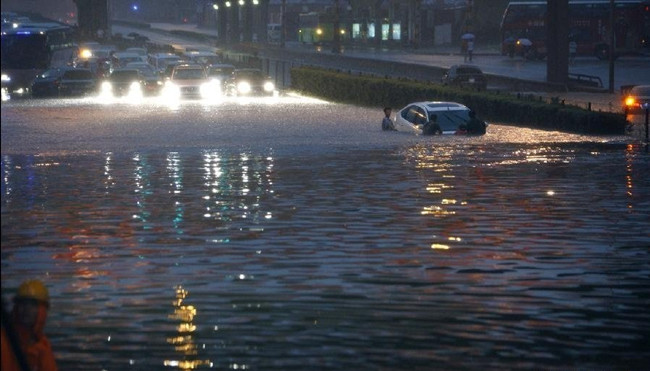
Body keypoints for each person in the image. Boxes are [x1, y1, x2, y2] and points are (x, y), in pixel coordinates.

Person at [6, 280, 59, 371]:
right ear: (16, 307)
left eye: (32, 304)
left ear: (42, 311)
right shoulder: (5, 341)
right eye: (23, 303)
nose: (27, 308)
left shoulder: (43, 347)